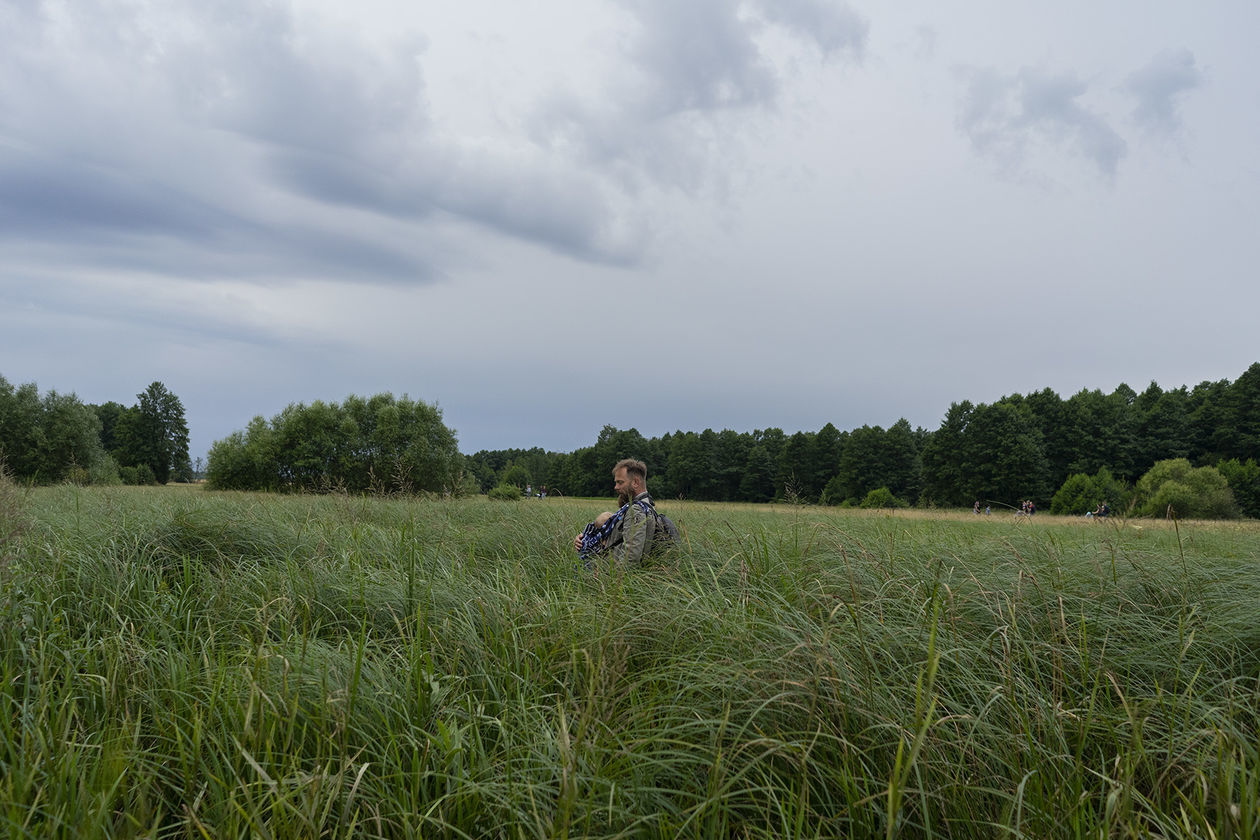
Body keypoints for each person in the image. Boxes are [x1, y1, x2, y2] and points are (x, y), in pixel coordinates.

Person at [573, 458, 678, 570]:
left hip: (609, 577)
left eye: (620, 482)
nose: (616, 487)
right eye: (616, 482)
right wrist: (585, 540)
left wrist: (614, 583)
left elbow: (630, 558)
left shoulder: (636, 510)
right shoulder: (645, 507)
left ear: (635, 482)